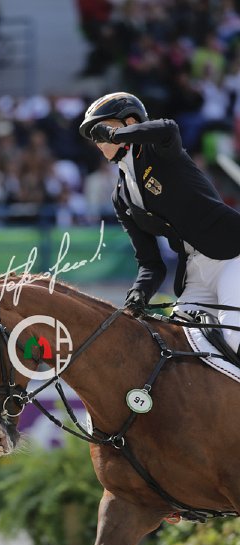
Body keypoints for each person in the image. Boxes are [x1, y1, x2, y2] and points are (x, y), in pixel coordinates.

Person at [79, 91, 240, 357]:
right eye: (94, 137)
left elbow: (168, 128)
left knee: (235, 341)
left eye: (101, 131)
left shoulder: (158, 150)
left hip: (231, 256)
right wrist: (139, 294)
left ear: (131, 123)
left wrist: (114, 135)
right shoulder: (121, 196)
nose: (98, 141)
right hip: (195, 274)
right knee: (177, 351)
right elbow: (150, 263)